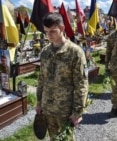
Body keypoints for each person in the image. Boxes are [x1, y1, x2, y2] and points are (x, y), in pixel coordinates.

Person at [35, 12, 88, 140]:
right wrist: (38, 103)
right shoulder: (45, 52)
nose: (48, 35)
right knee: (53, 138)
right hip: (47, 108)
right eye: (46, 31)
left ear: (62, 28)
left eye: (52, 31)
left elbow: (81, 84)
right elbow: (42, 79)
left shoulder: (75, 52)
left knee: (67, 139)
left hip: (65, 110)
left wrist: (77, 111)